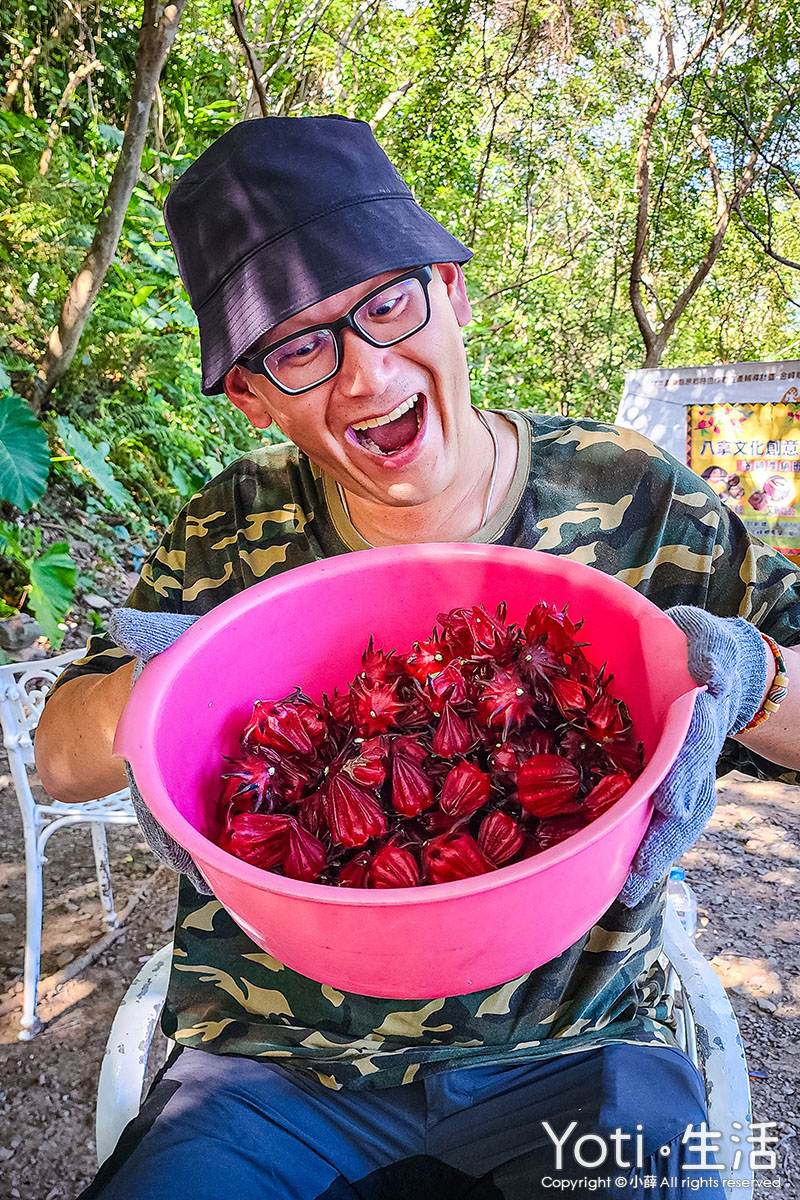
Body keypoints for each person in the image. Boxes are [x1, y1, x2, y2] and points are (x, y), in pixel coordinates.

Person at [35, 116, 800, 1199]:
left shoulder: (634, 497)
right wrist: (147, 701)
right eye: (299, 346)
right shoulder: (227, 528)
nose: (363, 373)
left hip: (574, 1055)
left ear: (453, 291)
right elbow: (58, 762)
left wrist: (750, 677)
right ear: (251, 395)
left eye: (387, 304)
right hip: (270, 1072)